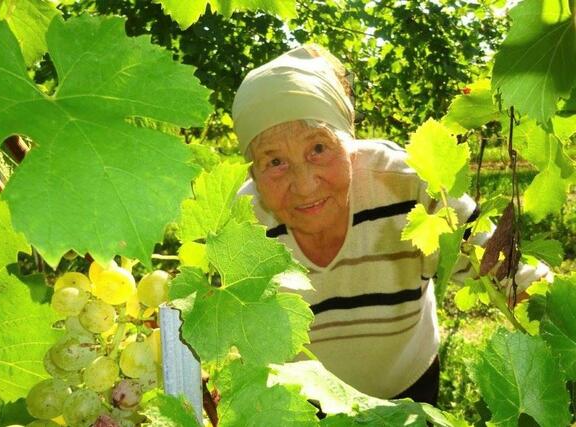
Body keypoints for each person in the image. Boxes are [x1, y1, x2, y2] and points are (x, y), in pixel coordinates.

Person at [231, 44, 550, 404]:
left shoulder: (411, 186)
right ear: (253, 173)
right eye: (274, 162)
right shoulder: (242, 222)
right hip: (293, 406)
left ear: (351, 144)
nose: (304, 185)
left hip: (407, 394)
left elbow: (519, 280)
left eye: (319, 148)